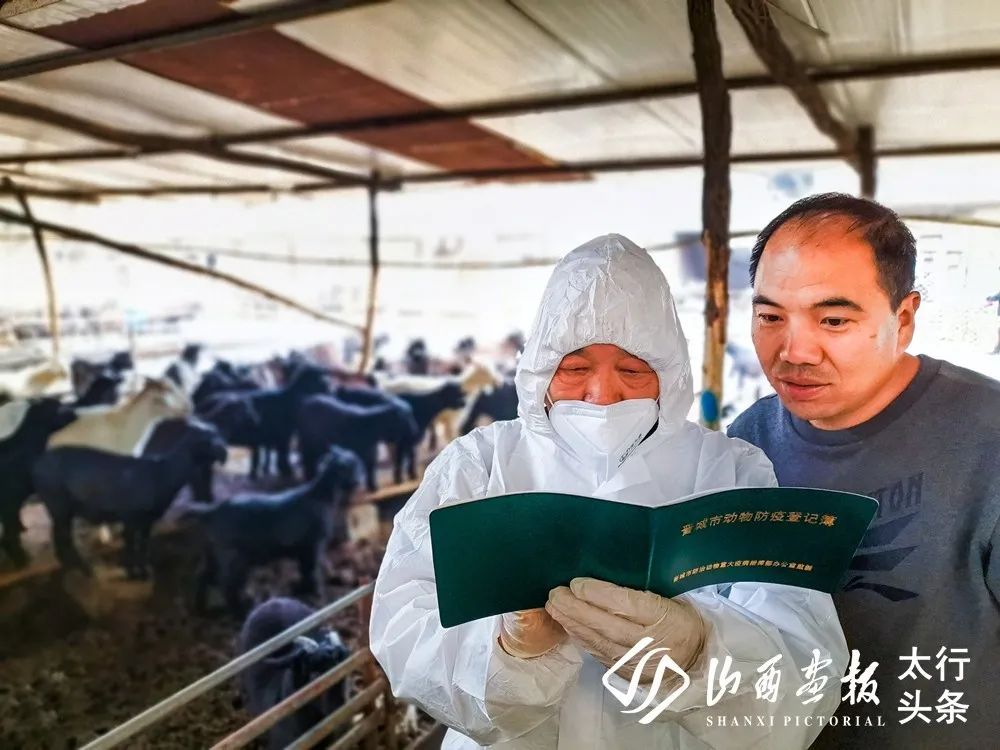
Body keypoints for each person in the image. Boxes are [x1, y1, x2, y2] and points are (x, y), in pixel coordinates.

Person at [371, 234, 847, 750]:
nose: (602, 396)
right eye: (574, 369)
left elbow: (803, 667)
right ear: (538, 371)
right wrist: (509, 652)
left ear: (670, 375)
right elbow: (403, 621)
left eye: (632, 370)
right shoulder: (478, 465)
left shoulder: (728, 470)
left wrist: (698, 654)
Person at [728, 194, 1000, 748]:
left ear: (903, 319)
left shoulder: (987, 438)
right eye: (770, 317)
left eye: (832, 320)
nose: (794, 351)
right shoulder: (745, 442)